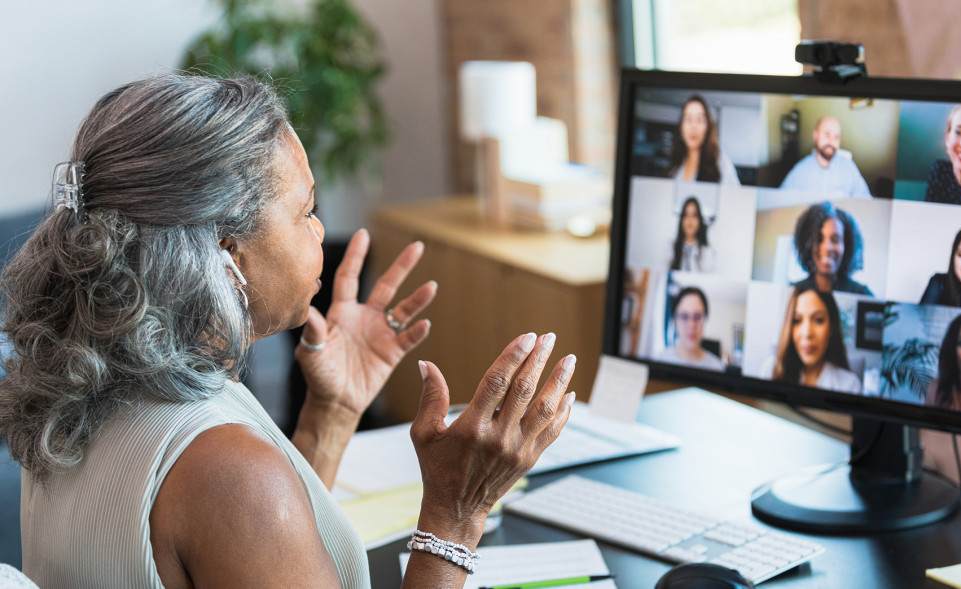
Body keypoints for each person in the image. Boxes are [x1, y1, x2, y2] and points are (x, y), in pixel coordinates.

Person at [0, 74, 576, 588]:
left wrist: (332, 414)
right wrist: (457, 513)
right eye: (304, 210)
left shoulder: (80, 394)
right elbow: (239, 502)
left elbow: (242, 548)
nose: (321, 228)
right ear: (227, 254)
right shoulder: (226, 469)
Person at [762, 286, 861, 393]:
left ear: (831, 328)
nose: (807, 333)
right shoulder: (771, 370)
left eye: (818, 320)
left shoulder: (849, 385)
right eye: (797, 320)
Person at [791, 201, 873, 295]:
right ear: (807, 244)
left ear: (847, 246)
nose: (827, 247)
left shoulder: (862, 294)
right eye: (819, 239)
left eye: (835, 240)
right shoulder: (794, 292)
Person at [779, 116, 871, 198]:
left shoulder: (849, 168)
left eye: (836, 137)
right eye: (827, 135)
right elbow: (781, 202)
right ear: (815, 136)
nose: (831, 142)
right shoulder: (800, 171)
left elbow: (866, 200)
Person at [665, 95, 741, 186]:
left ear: (707, 128)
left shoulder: (721, 163)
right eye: (689, 119)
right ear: (681, 128)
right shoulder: (675, 165)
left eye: (699, 120)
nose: (694, 126)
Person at [656, 287, 724, 371]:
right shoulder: (660, 360)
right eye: (684, 316)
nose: (691, 325)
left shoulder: (717, 367)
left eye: (697, 317)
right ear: (675, 320)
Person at [669, 197, 715, 272]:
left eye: (694, 215)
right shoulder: (671, 247)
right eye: (686, 215)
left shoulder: (707, 251)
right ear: (681, 220)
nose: (689, 219)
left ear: (699, 220)